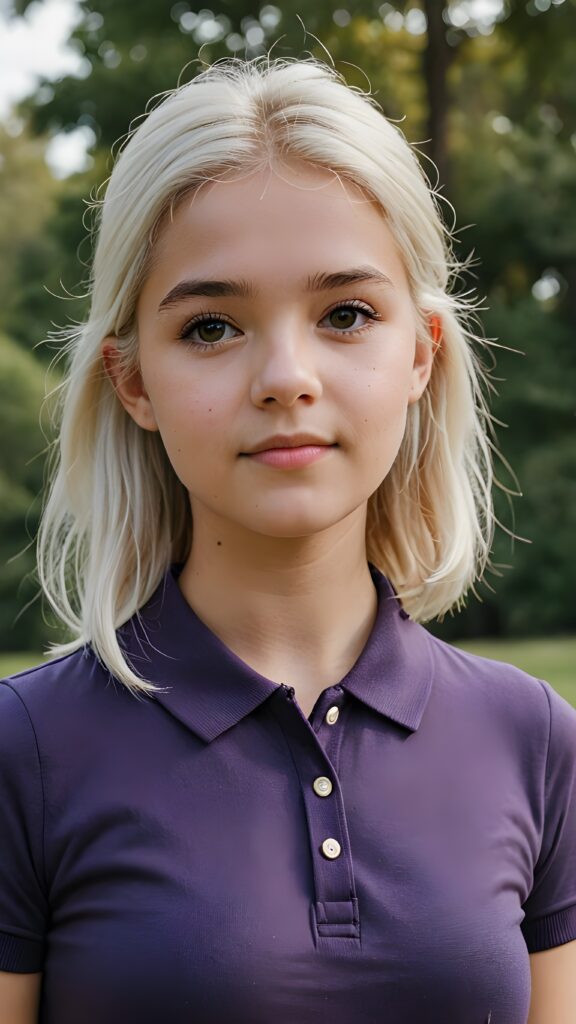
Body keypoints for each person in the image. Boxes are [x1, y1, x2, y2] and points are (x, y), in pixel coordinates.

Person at [0, 56, 574, 1024]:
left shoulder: (537, 742)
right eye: (213, 326)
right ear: (133, 381)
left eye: (346, 314)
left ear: (421, 354)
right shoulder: (24, 751)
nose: (286, 376)